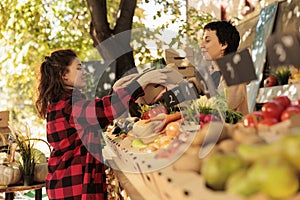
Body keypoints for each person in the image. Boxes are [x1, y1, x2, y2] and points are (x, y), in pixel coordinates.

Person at [35, 49, 172, 200]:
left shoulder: (63, 103)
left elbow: (97, 111)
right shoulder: (68, 106)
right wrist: (139, 84)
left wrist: (119, 88)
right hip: (74, 188)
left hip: (68, 184)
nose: (85, 72)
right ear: (64, 75)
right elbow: (106, 109)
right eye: (79, 68)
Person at [201, 20, 249, 115]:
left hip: (232, 129)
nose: (202, 45)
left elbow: (218, 108)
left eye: (207, 40)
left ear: (223, 44)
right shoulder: (214, 73)